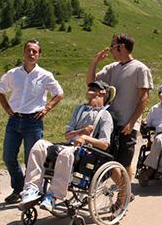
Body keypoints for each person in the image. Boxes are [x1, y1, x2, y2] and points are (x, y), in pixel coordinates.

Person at [20, 81, 114, 211]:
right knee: (39, 145)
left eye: (94, 87)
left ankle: (53, 195)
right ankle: (32, 189)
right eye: (90, 87)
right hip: (71, 145)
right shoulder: (80, 109)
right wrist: (81, 132)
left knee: (66, 154)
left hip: (87, 152)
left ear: (103, 92)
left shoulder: (105, 116)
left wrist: (86, 137)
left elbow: (105, 144)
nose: (90, 89)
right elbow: (68, 135)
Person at [0, 39, 64, 204]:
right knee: (8, 157)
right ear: (23, 53)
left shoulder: (45, 75)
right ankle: (19, 188)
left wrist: (47, 108)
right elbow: (0, 89)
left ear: (39, 55)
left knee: (31, 159)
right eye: (29, 50)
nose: (31, 53)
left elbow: (59, 93)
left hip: (33, 122)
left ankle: (33, 191)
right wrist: (7, 109)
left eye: (35, 51)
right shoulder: (13, 74)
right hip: (14, 120)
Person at [87, 33, 153, 178]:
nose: (110, 50)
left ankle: (124, 194)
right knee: (108, 161)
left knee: (124, 163)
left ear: (121, 47)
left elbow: (144, 98)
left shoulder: (140, 69)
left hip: (127, 124)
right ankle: (125, 193)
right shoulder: (112, 67)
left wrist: (131, 123)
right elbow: (90, 83)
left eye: (112, 46)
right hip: (110, 122)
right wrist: (95, 62)